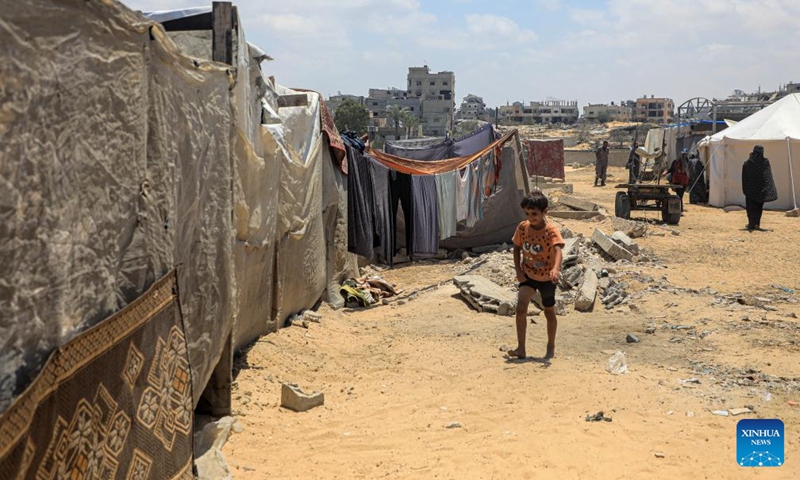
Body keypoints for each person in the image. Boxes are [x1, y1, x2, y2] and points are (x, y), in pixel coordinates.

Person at [507, 192, 564, 360]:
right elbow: (516, 247)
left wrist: (555, 269)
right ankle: (521, 348)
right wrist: (518, 270)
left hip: (547, 278)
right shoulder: (522, 228)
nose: (531, 218)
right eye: (527, 214)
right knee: (521, 308)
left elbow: (558, 249)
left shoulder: (551, 230)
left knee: (549, 312)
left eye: (534, 214)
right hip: (529, 276)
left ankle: (551, 345)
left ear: (545, 212)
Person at [742, 145, 778, 231]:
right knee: (758, 208)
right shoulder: (765, 162)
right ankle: (756, 224)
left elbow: (745, 175)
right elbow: (768, 176)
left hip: (751, 190)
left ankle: (751, 224)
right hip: (761, 190)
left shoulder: (749, 163)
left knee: (751, 208)